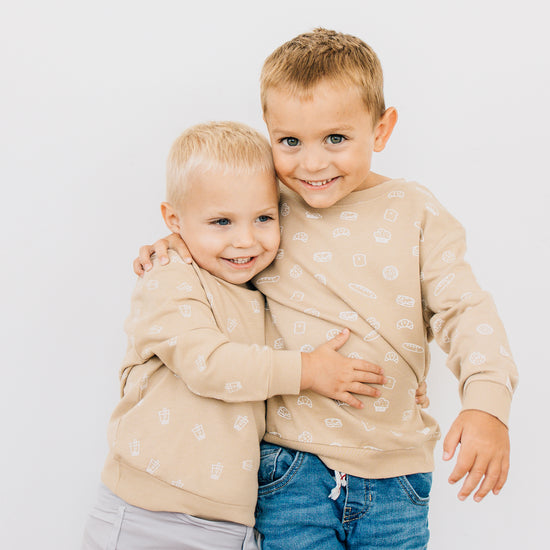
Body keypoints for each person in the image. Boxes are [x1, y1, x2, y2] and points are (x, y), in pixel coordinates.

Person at [135, 29, 517, 549]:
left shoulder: (416, 211)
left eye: (335, 138)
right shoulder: (268, 208)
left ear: (381, 130)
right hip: (291, 465)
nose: (312, 164)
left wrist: (487, 402)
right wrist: (177, 241)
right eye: (290, 142)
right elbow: (217, 227)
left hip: (396, 470)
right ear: (269, 134)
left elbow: (465, 310)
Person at [81, 121, 392, 550]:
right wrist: (308, 371)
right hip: (147, 516)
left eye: (263, 217)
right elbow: (209, 364)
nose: (245, 240)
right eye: (221, 221)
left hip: (233, 525)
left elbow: (309, 342)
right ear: (174, 220)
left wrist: (394, 377)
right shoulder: (169, 276)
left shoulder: (263, 293)